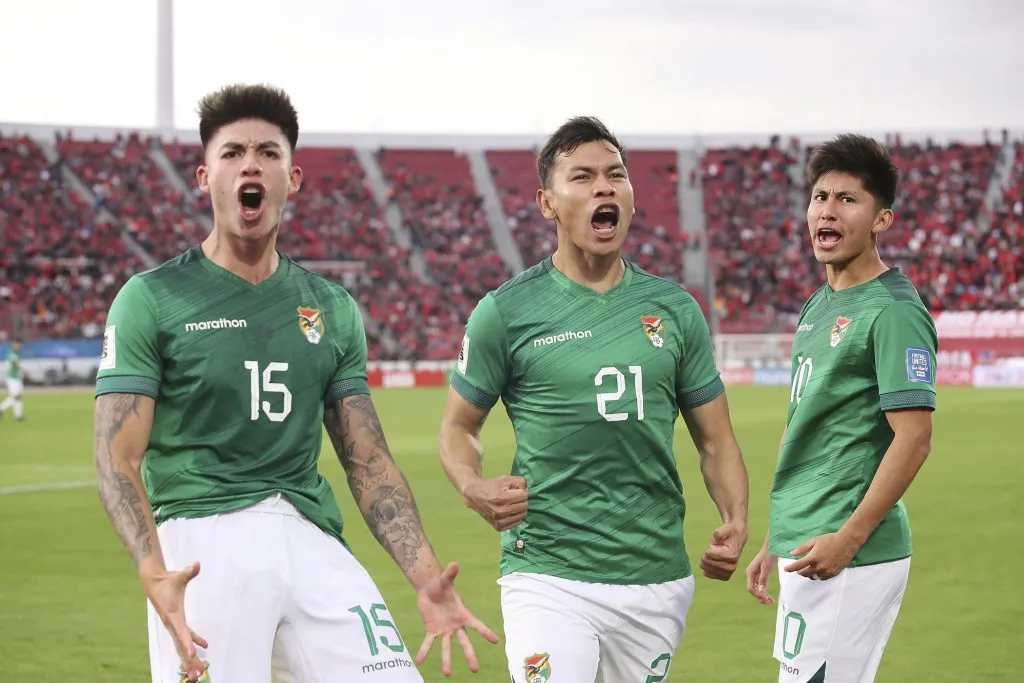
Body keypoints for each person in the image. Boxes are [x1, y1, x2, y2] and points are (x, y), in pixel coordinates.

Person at [93, 83, 497, 683]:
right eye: (231, 153)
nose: (250, 164)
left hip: (310, 534)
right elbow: (115, 454)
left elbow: (367, 459)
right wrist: (155, 572)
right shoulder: (151, 298)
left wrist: (426, 577)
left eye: (268, 152)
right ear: (204, 177)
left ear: (294, 176)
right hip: (205, 544)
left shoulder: (330, 307)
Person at [438, 116, 751, 683]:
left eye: (616, 174)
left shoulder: (676, 311)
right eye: (582, 177)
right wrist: (472, 485)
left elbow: (716, 437)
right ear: (547, 202)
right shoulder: (506, 312)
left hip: (655, 574)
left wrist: (736, 516)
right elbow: (459, 428)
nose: (604, 187)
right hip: (548, 571)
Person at [745, 133, 937, 683]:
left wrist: (849, 540)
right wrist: (773, 538)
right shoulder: (819, 303)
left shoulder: (894, 311)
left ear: (883, 219)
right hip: (807, 541)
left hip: (849, 552)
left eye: (847, 199)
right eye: (820, 197)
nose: (827, 211)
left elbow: (914, 439)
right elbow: (802, 425)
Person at [1, 338, 24, 421]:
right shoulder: (12, 353)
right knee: (15, 396)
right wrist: (24, 371)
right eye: (18, 345)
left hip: (16, 377)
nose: (20, 346)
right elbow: (15, 365)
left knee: (18, 396)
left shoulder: (15, 353)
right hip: (12, 378)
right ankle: (1, 408)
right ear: (14, 344)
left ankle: (18, 416)